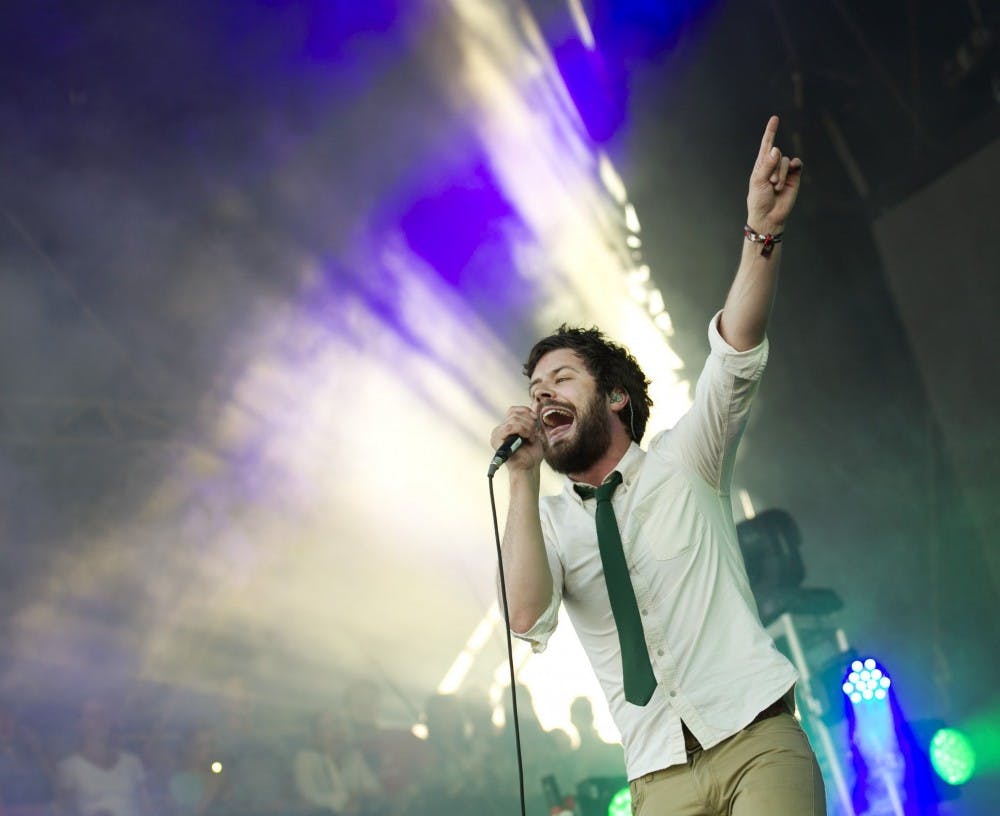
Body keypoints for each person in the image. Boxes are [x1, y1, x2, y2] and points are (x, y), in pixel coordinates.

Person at [489, 116, 826, 815]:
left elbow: (735, 351)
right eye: (533, 388)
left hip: (754, 740)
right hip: (655, 776)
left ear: (614, 397)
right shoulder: (548, 520)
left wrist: (761, 232)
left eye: (560, 378)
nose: (541, 393)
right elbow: (526, 615)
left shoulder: (684, 458)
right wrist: (520, 481)